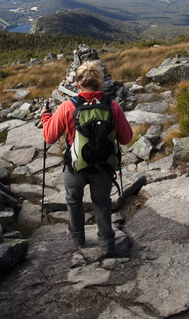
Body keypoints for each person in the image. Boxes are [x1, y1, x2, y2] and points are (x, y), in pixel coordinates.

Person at [40, 60, 133, 257]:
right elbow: (126, 138)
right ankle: (107, 244)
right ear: (100, 82)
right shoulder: (113, 106)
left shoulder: (67, 107)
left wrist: (45, 116)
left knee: (73, 199)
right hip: (103, 167)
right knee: (102, 202)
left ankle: (77, 236)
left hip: (76, 167)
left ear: (78, 84)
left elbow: (49, 137)